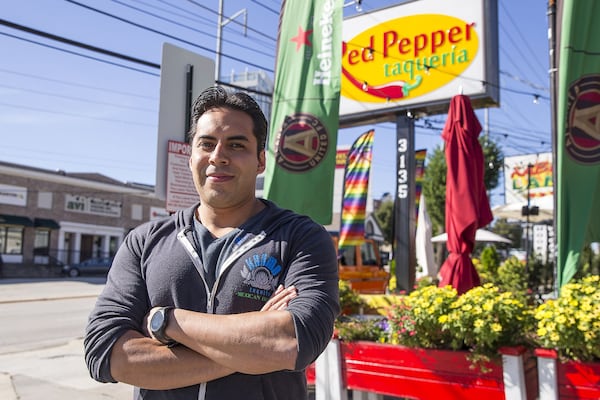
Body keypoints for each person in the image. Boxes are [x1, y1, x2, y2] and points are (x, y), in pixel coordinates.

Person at [84, 86, 340, 400]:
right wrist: (251, 347)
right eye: (207, 143)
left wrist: (166, 321)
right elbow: (106, 353)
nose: (218, 156)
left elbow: (294, 342)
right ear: (191, 155)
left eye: (236, 145)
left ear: (260, 161)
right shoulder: (144, 242)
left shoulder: (300, 237)